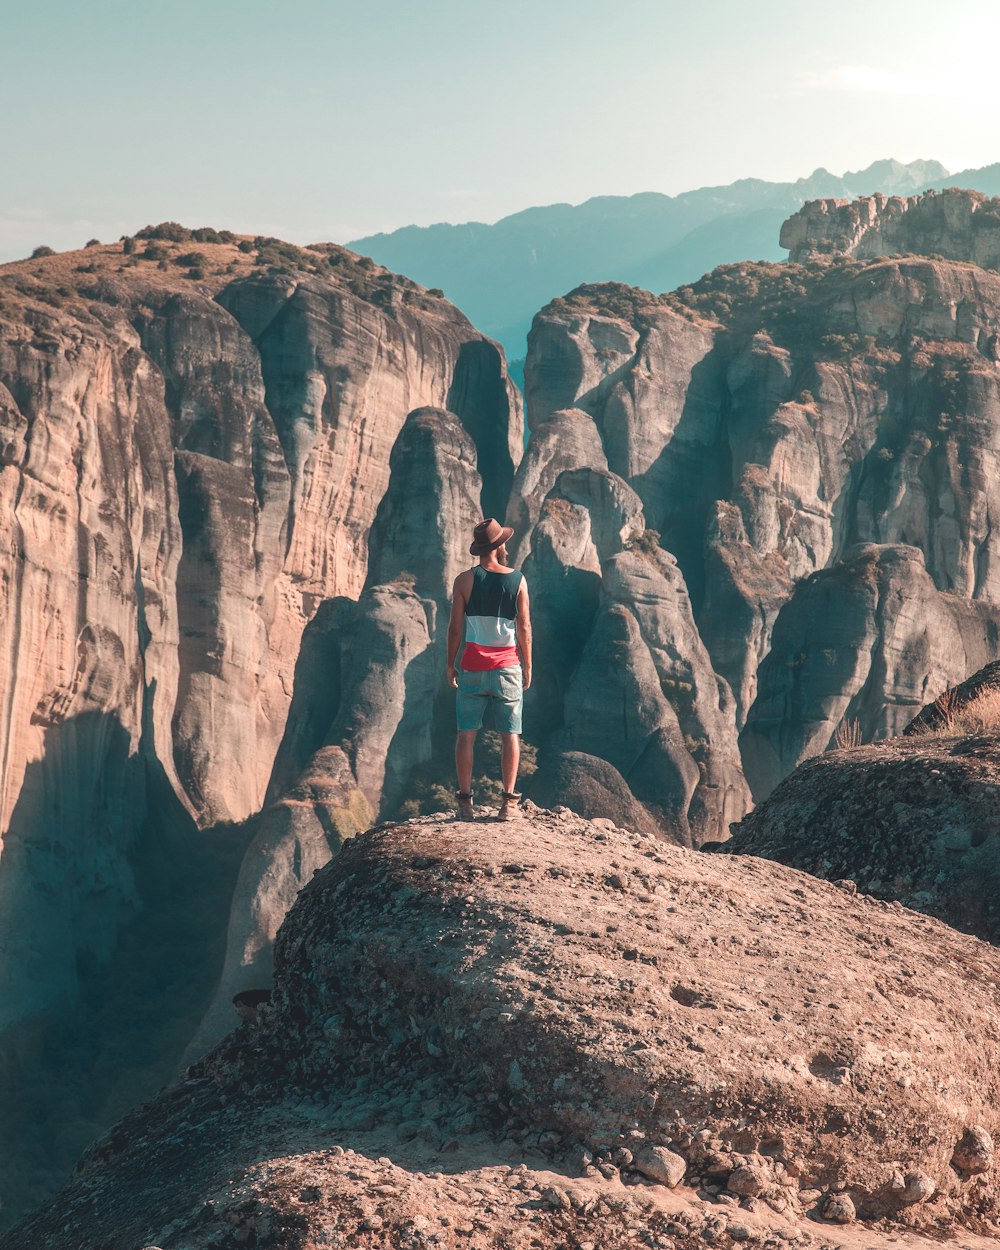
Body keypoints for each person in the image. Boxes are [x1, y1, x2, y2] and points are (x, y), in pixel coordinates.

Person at [447, 518, 532, 821]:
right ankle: (508, 804)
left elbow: (455, 628)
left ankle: (465, 804)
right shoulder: (518, 580)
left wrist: (450, 663)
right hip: (508, 666)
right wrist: (528, 665)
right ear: (500, 546)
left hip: (472, 666)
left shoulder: (463, 581)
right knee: (510, 735)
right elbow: (524, 627)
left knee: (465, 735)